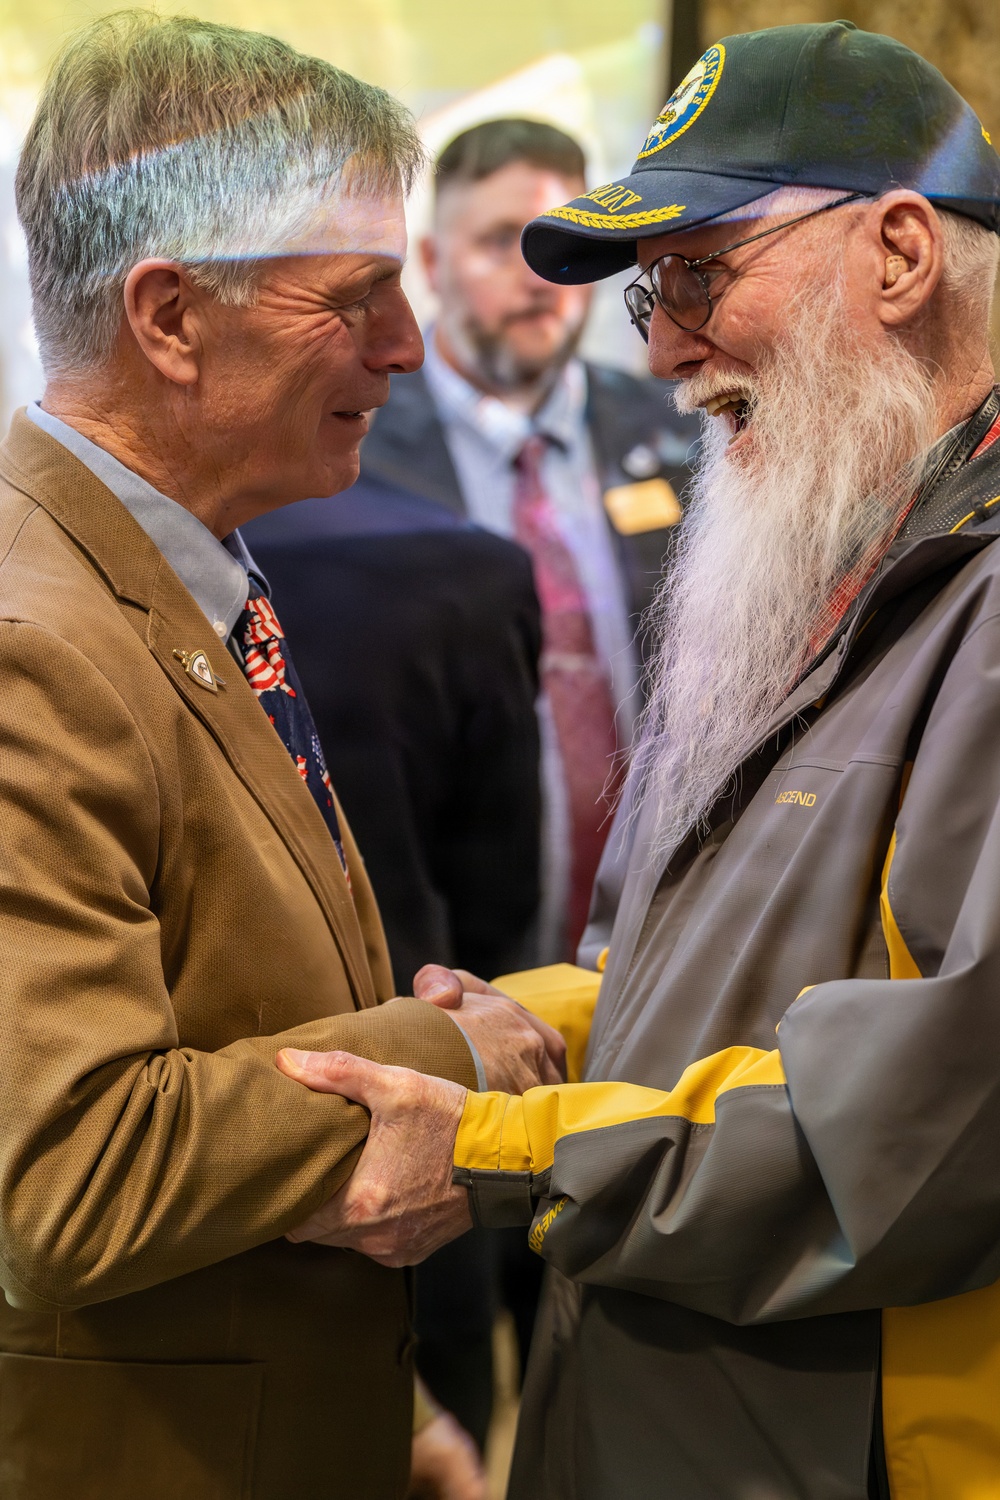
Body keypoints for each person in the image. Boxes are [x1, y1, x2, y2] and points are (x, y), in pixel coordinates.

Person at [276, 22, 1000, 1499]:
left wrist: (502, 1144)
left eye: (698, 273)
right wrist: (492, 1023)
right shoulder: (835, 556)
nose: (663, 344)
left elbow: (923, 1132)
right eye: (649, 295)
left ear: (903, 253)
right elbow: (698, 974)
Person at [0, 12, 566, 1499]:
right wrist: (447, 1052)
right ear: (171, 317)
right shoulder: (34, 643)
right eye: (357, 298)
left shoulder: (191, 571)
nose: (409, 345)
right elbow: (70, 1178)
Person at [362, 117, 700, 965]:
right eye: (500, 243)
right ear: (432, 266)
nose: (538, 279)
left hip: (653, 944)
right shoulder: (350, 457)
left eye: (562, 245)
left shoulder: (684, 431)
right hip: (435, 953)